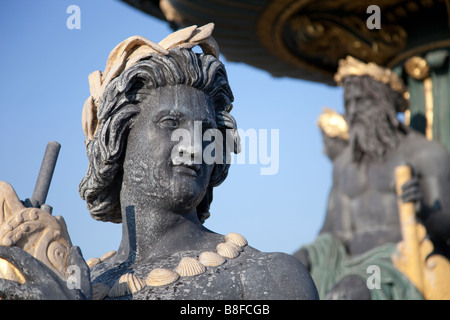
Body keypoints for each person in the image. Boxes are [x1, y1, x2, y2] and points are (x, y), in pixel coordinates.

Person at [0, 24, 318, 300]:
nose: (194, 145)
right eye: (170, 123)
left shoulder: (266, 276)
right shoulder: (82, 283)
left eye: (206, 132)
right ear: (118, 138)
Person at [294, 56, 450, 300]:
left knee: (345, 293)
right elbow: (332, 231)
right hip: (345, 264)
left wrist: (424, 210)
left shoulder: (424, 153)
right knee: (288, 274)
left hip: (397, 264)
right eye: (348, 103)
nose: (354, 111)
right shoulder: (344, 164)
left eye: (362, 101)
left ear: (385, 101)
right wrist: (303, 257)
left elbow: (446, 225)